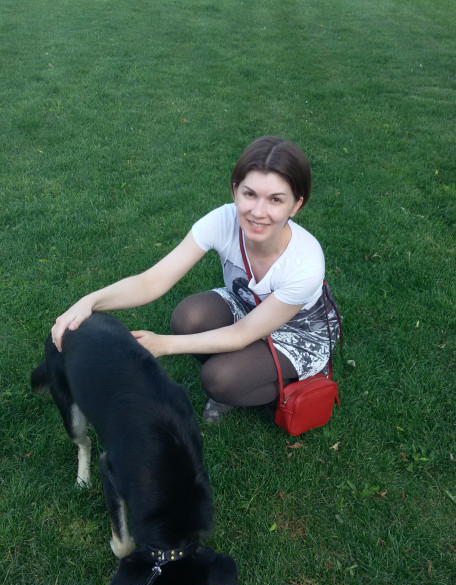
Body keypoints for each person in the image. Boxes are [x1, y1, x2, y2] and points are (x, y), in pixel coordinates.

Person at [51, 136, 341, 423]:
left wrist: (163, 345)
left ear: (296, 205)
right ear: (235, 190)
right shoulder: (222, 221)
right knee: (188, 318)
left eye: (275, 199)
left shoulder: (306, 263)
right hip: (248, 305)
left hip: (300, 332)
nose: (258, 212)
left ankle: (275, 382)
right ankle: (246, 368)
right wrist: (89, 302)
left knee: (219, 379)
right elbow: (151, 281)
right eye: (250, 194)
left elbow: (241, 333)